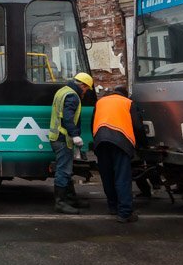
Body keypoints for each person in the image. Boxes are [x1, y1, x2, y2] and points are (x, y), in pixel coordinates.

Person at [92, 85, 146, 222]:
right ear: (125, 95)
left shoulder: (100, 102)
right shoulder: (128, 103)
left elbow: (92, 123)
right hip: (121, 142)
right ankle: (125, 212)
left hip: (100, 141)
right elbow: (138, 127)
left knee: (107, 175)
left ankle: (113, 207)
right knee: (122, 177)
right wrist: (143, 144)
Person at [48, 71, 94, 214]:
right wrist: (75, 135)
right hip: (63, 138)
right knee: (63, 171)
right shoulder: (72, 96)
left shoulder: (63, 91)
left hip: (57, 137)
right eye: (86, 89)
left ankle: (71, 199)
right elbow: (67, 117)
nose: (86, 92)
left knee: (67, 170)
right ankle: (61, 203)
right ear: (82, 85)